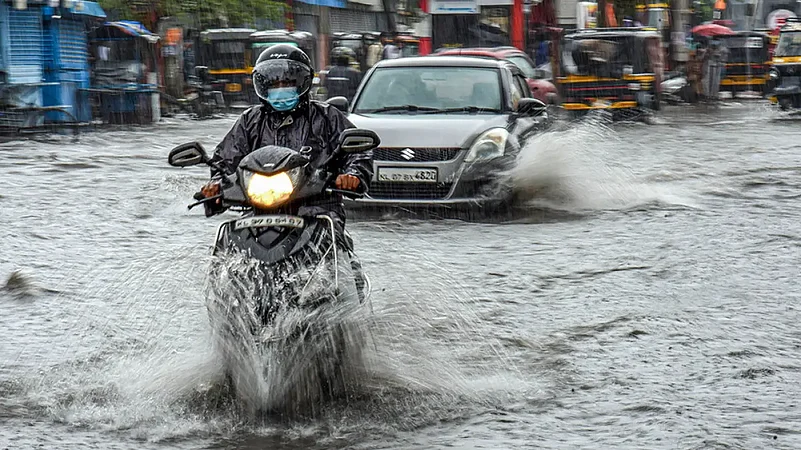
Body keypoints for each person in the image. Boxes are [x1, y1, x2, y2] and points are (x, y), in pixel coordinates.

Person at [200, 44, 372, 233]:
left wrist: (352, 175)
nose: (280, 89)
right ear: (263, 86)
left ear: (302, 83)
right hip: (258, 211)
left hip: (319, 211)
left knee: (331, 237)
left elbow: (358, 152)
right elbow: (226, 160)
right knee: (227, 238)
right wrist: (216, 184)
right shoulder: (250, 121)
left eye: (287, 83)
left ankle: (339, 261)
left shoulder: (327, 117)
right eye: (274, 85)